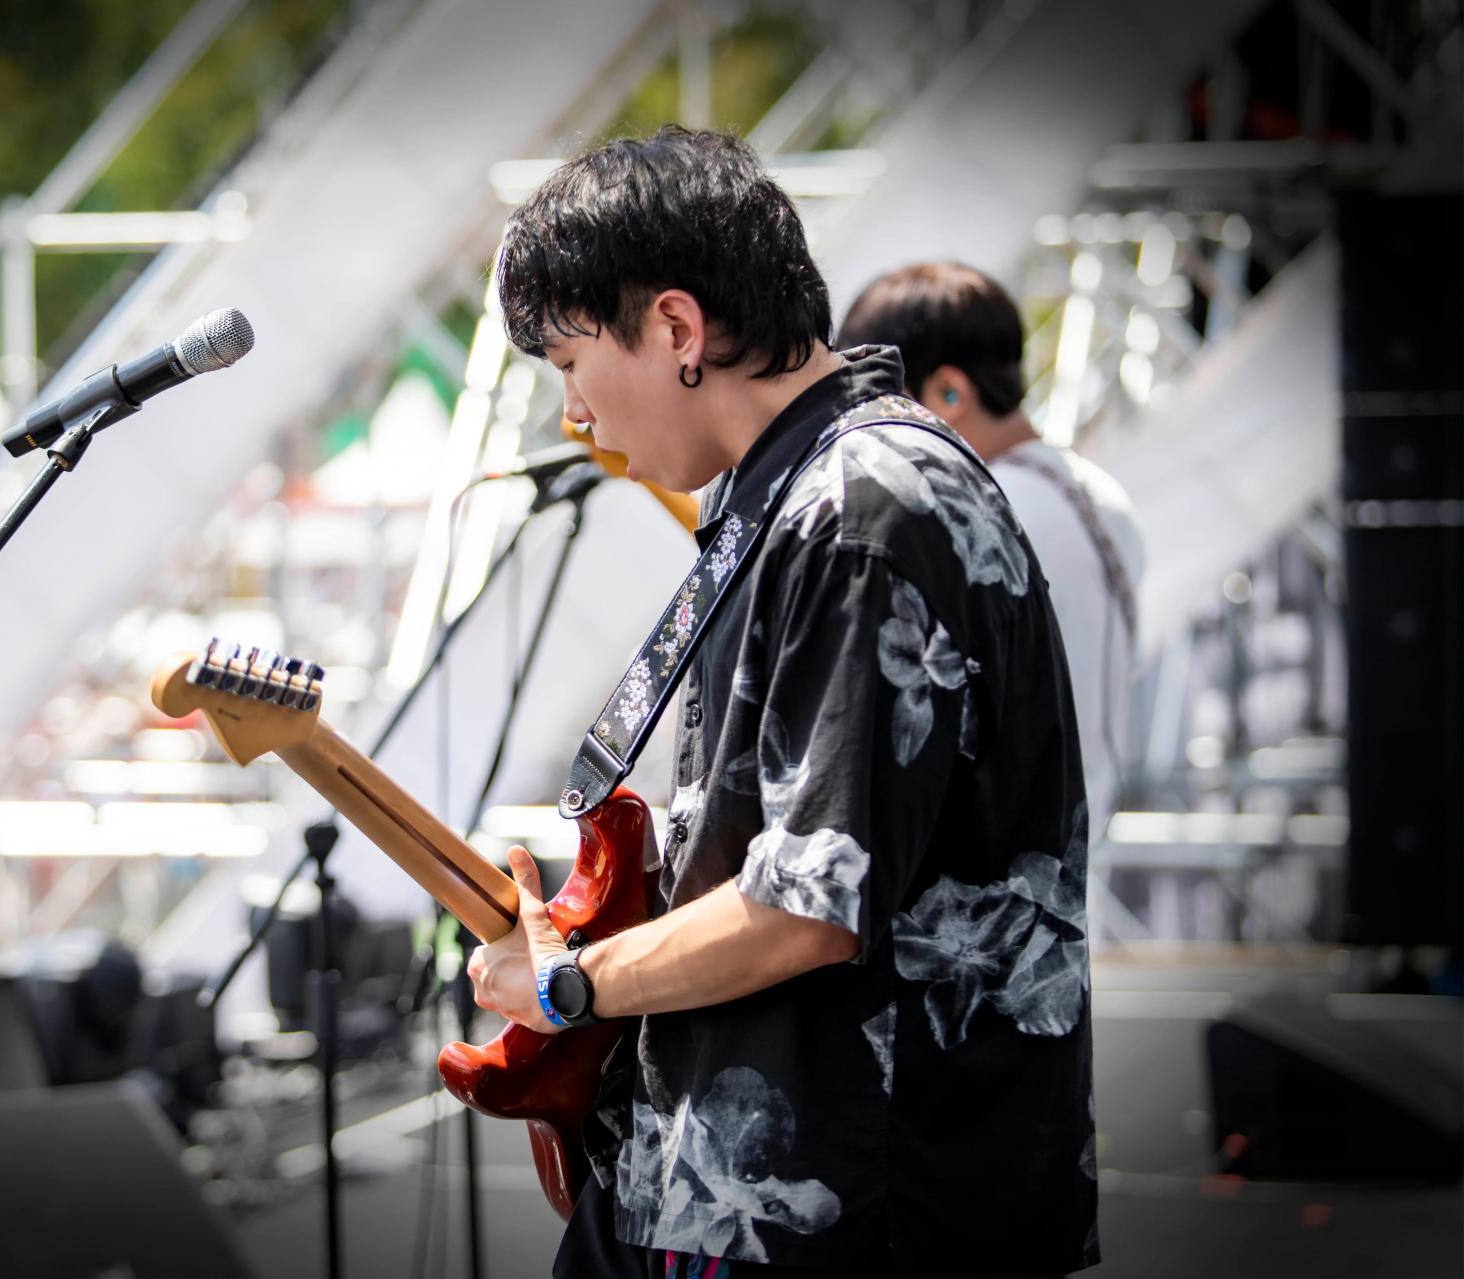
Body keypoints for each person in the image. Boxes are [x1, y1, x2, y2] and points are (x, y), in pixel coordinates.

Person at [468, 127, 1098, 1277]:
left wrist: (570, 984)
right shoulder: (811, 487)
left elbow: (809, 905)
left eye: (568, 363)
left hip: (856, 1198)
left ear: (675, 328)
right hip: (784, 1179)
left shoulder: (862, 507)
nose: (573, 415)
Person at [838, 263, 1145, 836]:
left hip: (983, 868)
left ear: (949, 392)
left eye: (877, 400)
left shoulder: (968, 511)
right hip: (1075, 860)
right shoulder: (1106, 499)